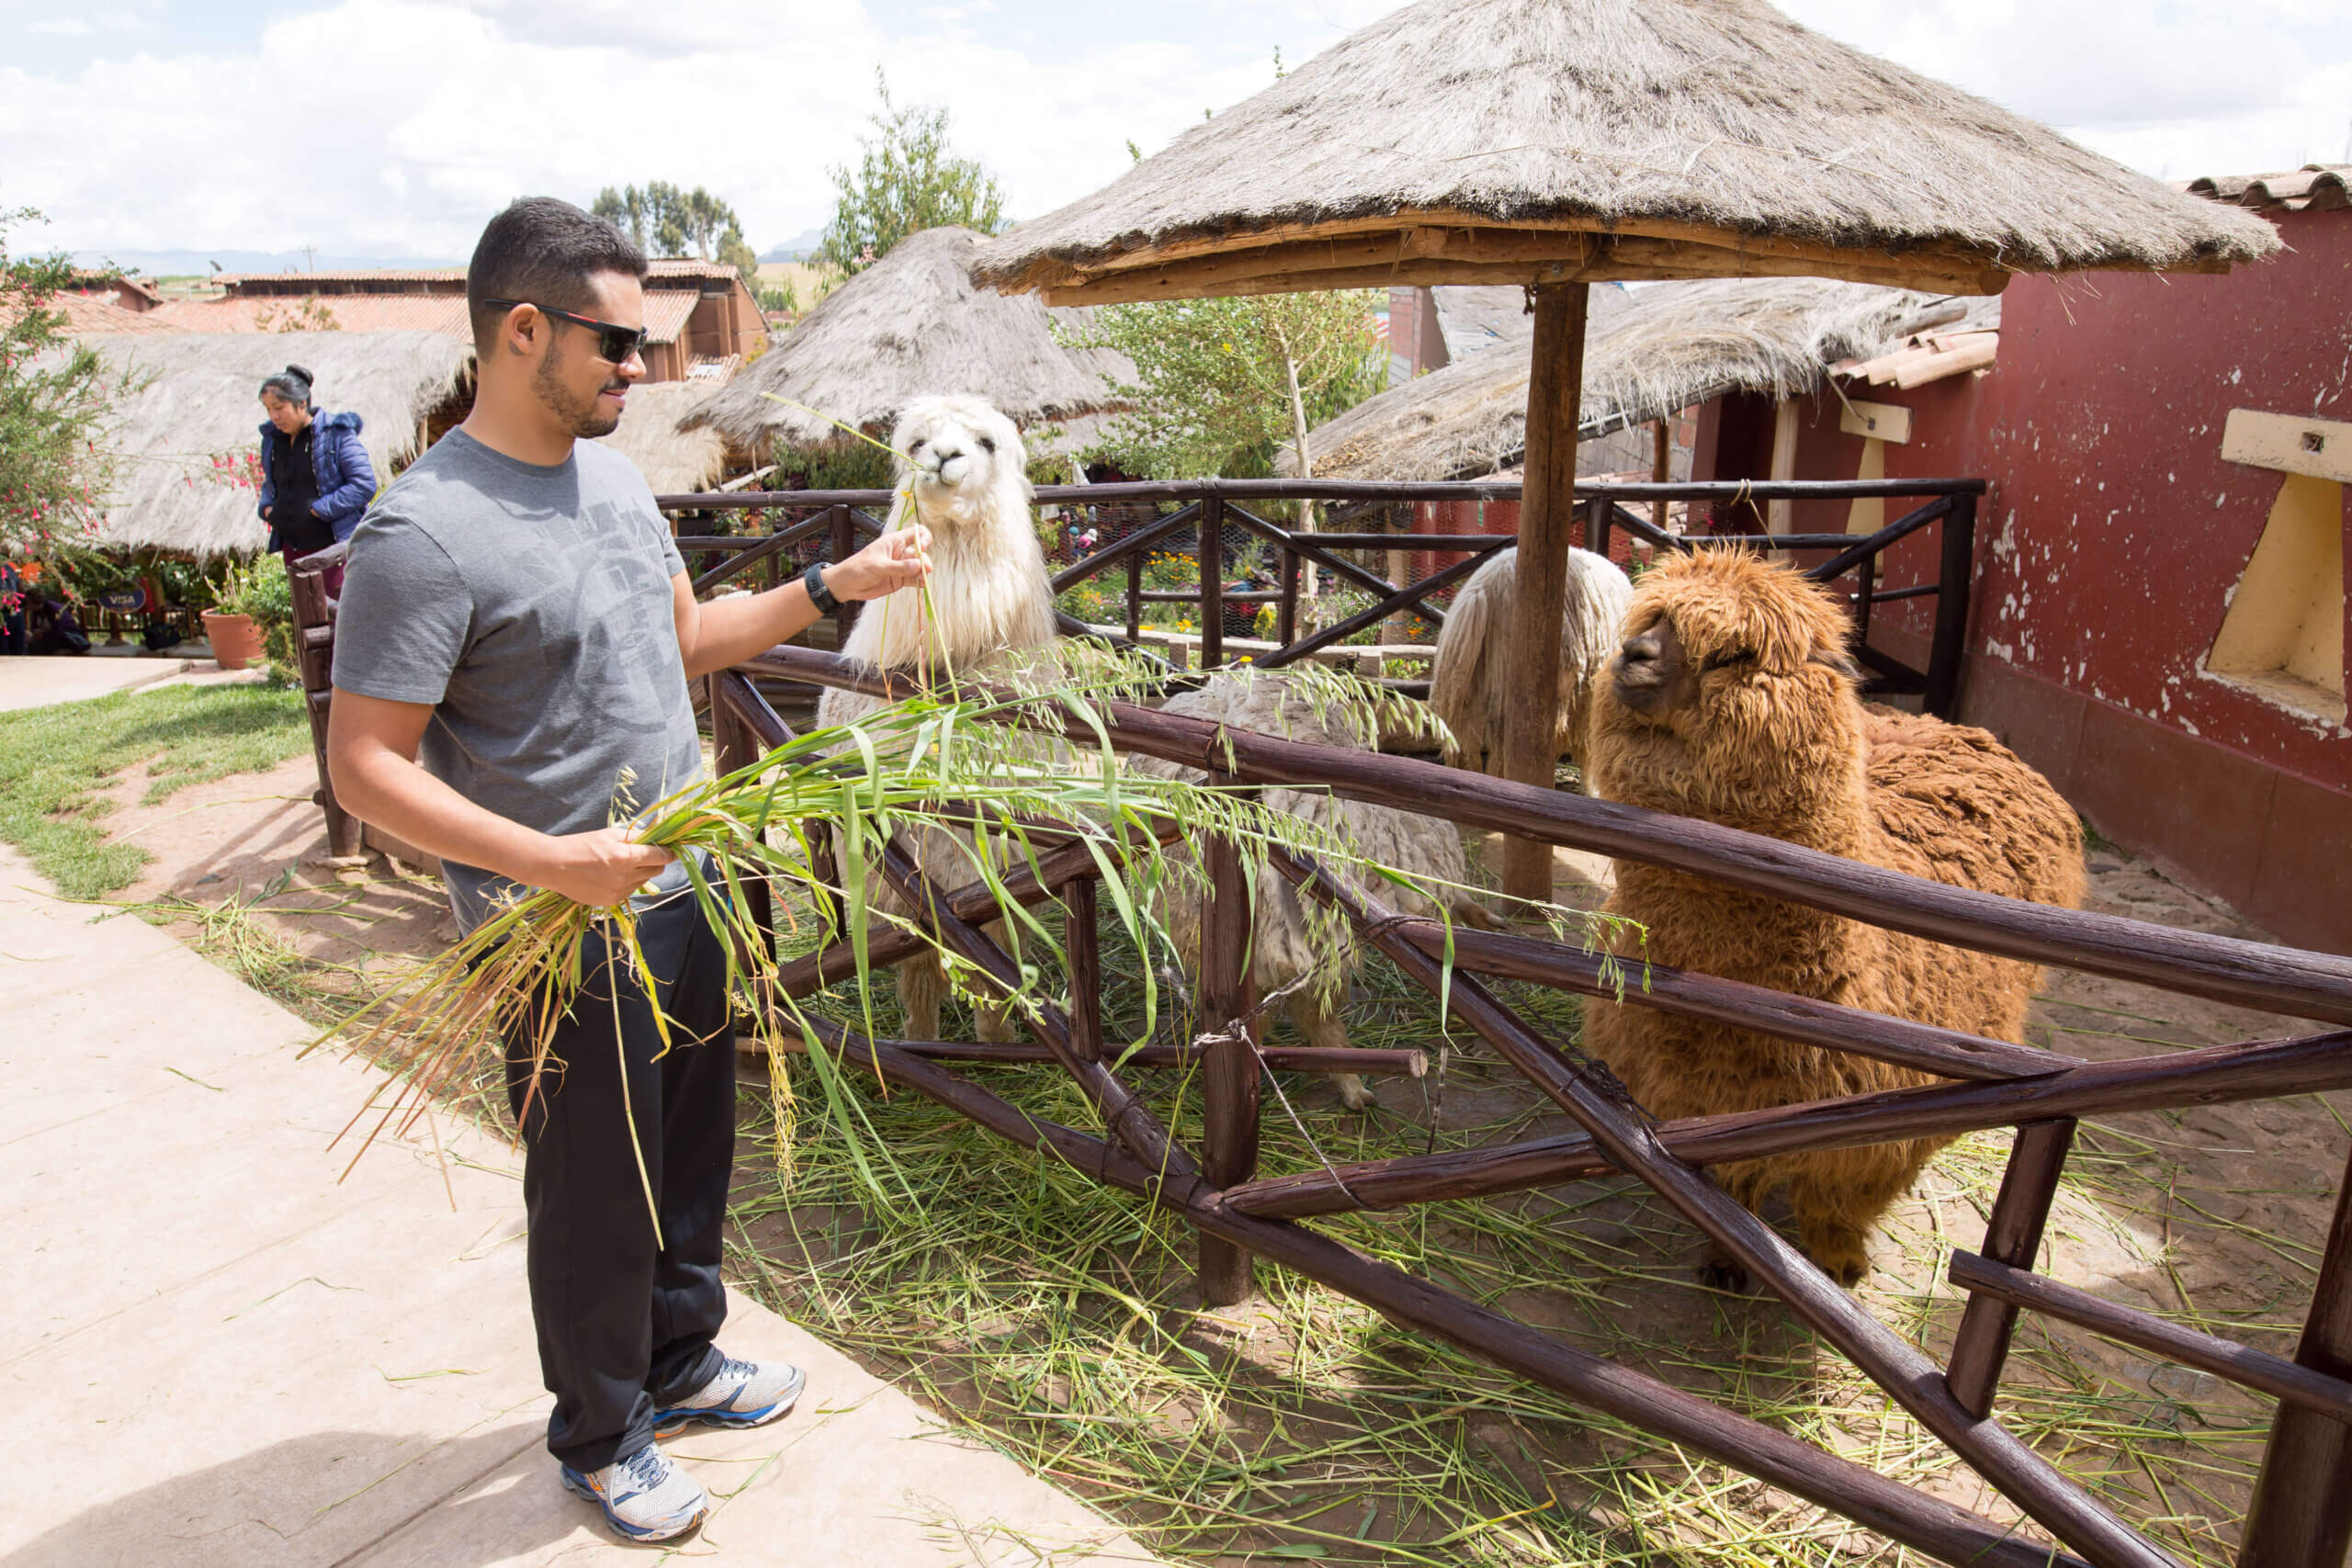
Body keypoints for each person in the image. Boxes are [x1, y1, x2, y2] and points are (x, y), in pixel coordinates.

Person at [323, 197, 932, 1544]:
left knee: (690, 1148)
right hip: (557, 919)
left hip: (685, 876)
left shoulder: (614, 478)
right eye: (618, 341)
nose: (642, 368)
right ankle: (600, 1431)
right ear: (522, 328)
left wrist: (840, 582)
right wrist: (551, 860)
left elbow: (690, 641)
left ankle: (682, 1358)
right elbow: (365, 762)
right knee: (595, 1185)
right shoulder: (422, 534)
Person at [257, 364, 376, 598]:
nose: (273, 416)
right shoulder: (273, 440)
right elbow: (271, 482)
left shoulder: (337, 434)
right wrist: (269, 509)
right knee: (306, 622)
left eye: (279, 408)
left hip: (335, 551)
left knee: (338, 622)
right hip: (294, 552)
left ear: (302, 403)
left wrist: (317, 511)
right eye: (268, 409)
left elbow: (363, 485)